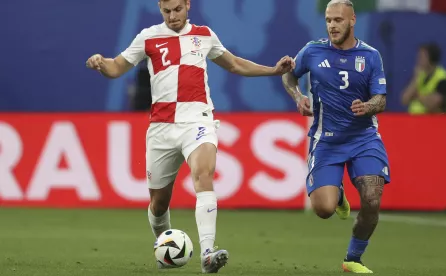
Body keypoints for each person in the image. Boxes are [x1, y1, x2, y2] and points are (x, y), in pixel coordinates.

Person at [85, 0, 295, 273]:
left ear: (187, 5)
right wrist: (101, 63)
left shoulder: (204, 35)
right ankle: (166, 247)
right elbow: (116, 69)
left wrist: (273, 70)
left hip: (198, 120)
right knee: (159, 203)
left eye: (177, 10)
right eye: (166, 11)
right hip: (161, 128)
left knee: (203, 174)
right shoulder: (148, 37)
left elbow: (234, 64)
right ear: (160, 8)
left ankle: (208, 253)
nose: (172, 16)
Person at [281, 0, 389, 273]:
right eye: (328, 20)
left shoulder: (370, 56)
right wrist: (298, 96)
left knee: (372, 199)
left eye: (338, 20)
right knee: (324, 209)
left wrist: (368, 106)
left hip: (363, 138)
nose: (332, 25)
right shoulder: (312, 51)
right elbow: (289, 77)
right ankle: (337, 194)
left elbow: (381, 99)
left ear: (352, 20)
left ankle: (353, 258)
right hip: (326, 140)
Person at [401, 42, 446, 114]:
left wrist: (416, 95)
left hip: (436, 122)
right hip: (414, 121)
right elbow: (404, 100)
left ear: (432, 58)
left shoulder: (443, 78)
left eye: (422, 57)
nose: (418, 60)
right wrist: (415, 79)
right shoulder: (419, 75)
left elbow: (433, 104)